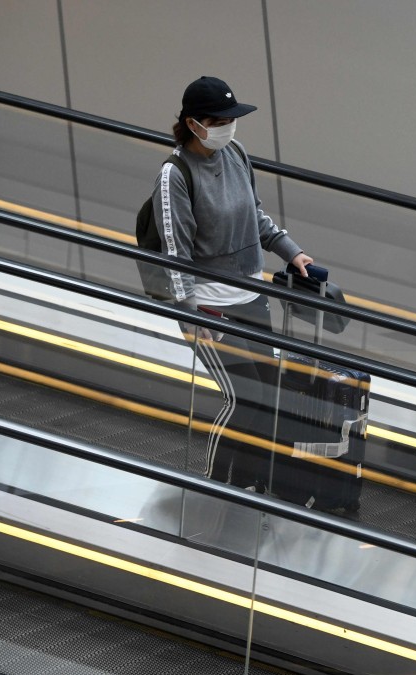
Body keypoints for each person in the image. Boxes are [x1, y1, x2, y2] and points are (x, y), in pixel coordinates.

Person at [152, 76, 314, 492]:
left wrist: (290, 251)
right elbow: (176, 252)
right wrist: (189, 315)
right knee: (244, 398)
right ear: (193, 124)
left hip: (251, 296)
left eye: (231, 118)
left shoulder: (236, 153)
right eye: (219, 120)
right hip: (210, 307)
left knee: (269, 395)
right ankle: (213, 486)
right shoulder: (175, 175)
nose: (228, 126)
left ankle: (246, 482)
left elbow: (256, 217)